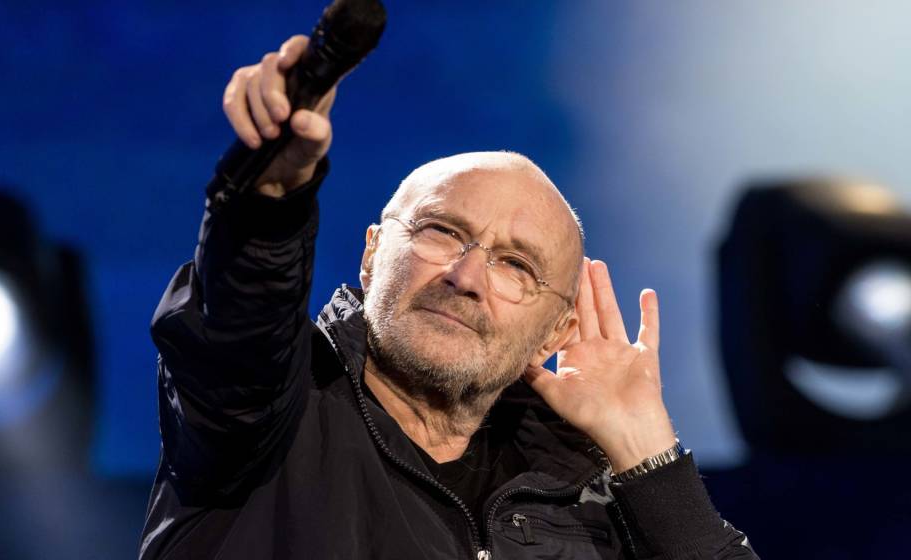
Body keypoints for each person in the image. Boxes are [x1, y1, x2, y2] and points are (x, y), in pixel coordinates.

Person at [139, 35, 759, 560]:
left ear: (554, 335)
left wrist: (643, 445)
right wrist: (268, 198)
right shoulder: (271, 408)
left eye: (516, 266)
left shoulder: (585, 492)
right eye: (442, 232)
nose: (466, 276)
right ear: (373, 252)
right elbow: (239, 327)